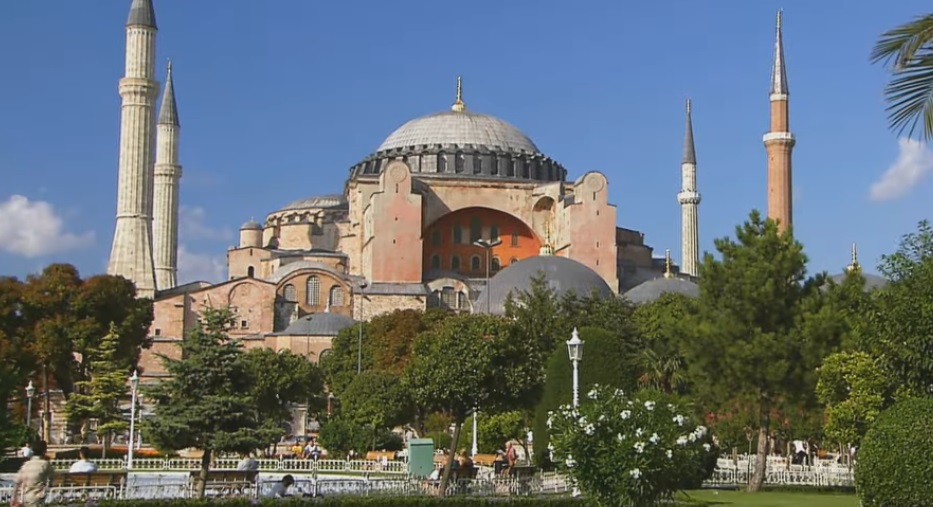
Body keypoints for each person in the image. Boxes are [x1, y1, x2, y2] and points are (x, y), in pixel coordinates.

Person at [12, 440, 52, 507]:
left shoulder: (26, 464)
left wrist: (14, 498)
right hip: (38, 498)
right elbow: (52, 479)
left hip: (25, 498)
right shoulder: (45, 464)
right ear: (44, 451)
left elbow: (17, 482)